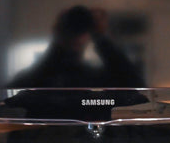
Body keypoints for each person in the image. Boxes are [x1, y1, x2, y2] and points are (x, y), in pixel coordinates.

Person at [9, 5, 144, 89]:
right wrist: (100, 37)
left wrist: (101, 38)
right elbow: (14, 92)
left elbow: (138, 88)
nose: (77, 30)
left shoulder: (97, 78)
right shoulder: (41, 77)